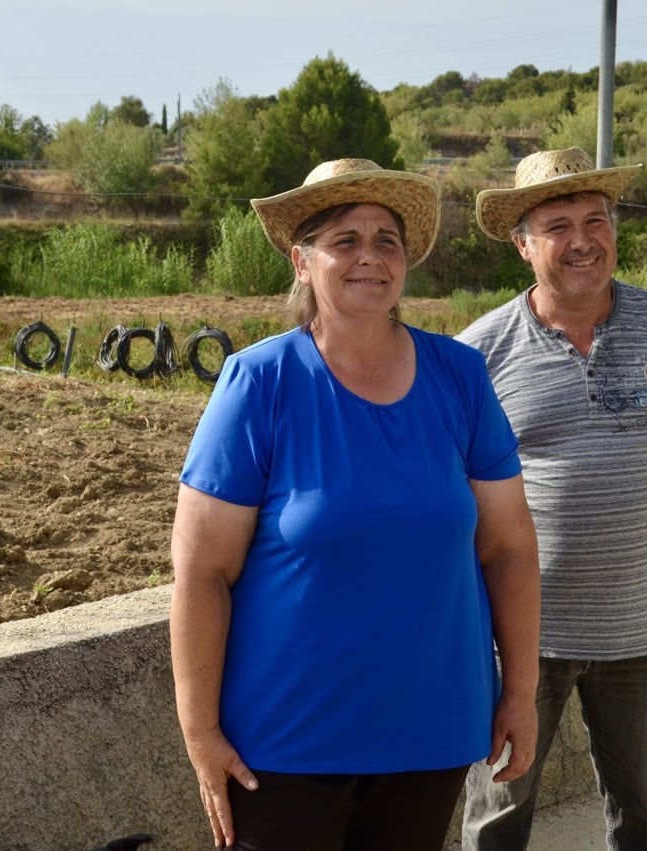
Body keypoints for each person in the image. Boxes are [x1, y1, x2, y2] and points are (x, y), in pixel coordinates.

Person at [169, 158, 540, 851]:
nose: (369, 255)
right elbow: (201, 570)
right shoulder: (260, 381)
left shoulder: (458, 375)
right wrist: (201, 732)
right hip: (284, 744)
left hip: (431, 731)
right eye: (345, 239)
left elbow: (509, 544)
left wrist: (519, 690)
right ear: (301, 260)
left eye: (387, 240)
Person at [457, 147, 647, 851]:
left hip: (642, 630)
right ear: (522, 244)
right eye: (557, 225)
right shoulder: (478, 354)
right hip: (517, 638)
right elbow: (449, 492)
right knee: (496, 817)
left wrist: (634, 482)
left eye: (595, 220)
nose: (582, 239)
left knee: (644, 817)